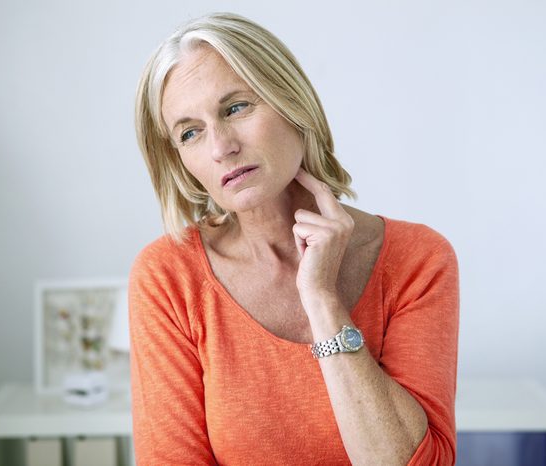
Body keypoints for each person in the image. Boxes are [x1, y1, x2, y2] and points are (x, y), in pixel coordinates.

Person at [130, 12, 459, 466]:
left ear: (292, 103)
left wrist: (323, 302)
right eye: (190, 132)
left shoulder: (417, 258)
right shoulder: (168, 276)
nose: (220, 146)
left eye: (236, 108)